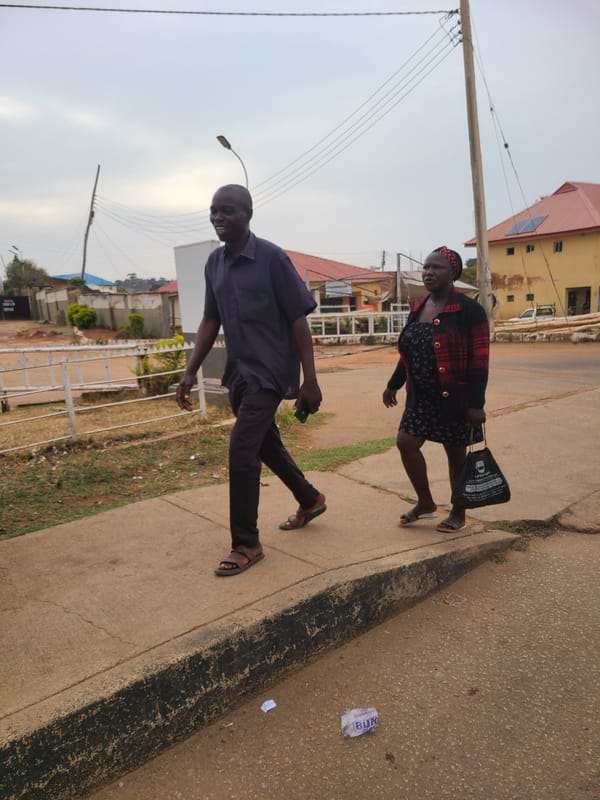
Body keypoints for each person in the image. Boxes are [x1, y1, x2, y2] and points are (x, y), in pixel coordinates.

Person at [176, 184, 326, 576]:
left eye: (227, 211)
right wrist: (191, 370)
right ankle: (309, 498)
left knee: (242, 449)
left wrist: (310, 380)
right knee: (265, 444)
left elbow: (298, 318)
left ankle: (246, 543)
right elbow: (211, 319)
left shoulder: (272, 258)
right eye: (213, 211)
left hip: (270, 370)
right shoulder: (215, 263)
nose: (218, 218)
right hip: (239, 371)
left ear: (247, 214)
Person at [382, 246, 489, 533]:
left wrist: (476, 404)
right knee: (406, 443)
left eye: (437, 267)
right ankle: (426, 503)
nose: (429, 272)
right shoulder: (417, 308)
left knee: (455, 457)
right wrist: (394, 384)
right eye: (426, 267)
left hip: (455, 398)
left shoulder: (470, 311)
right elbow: (409, 353)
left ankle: (458, 512)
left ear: (452, 273)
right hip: (421, 398)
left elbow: (480, 360)